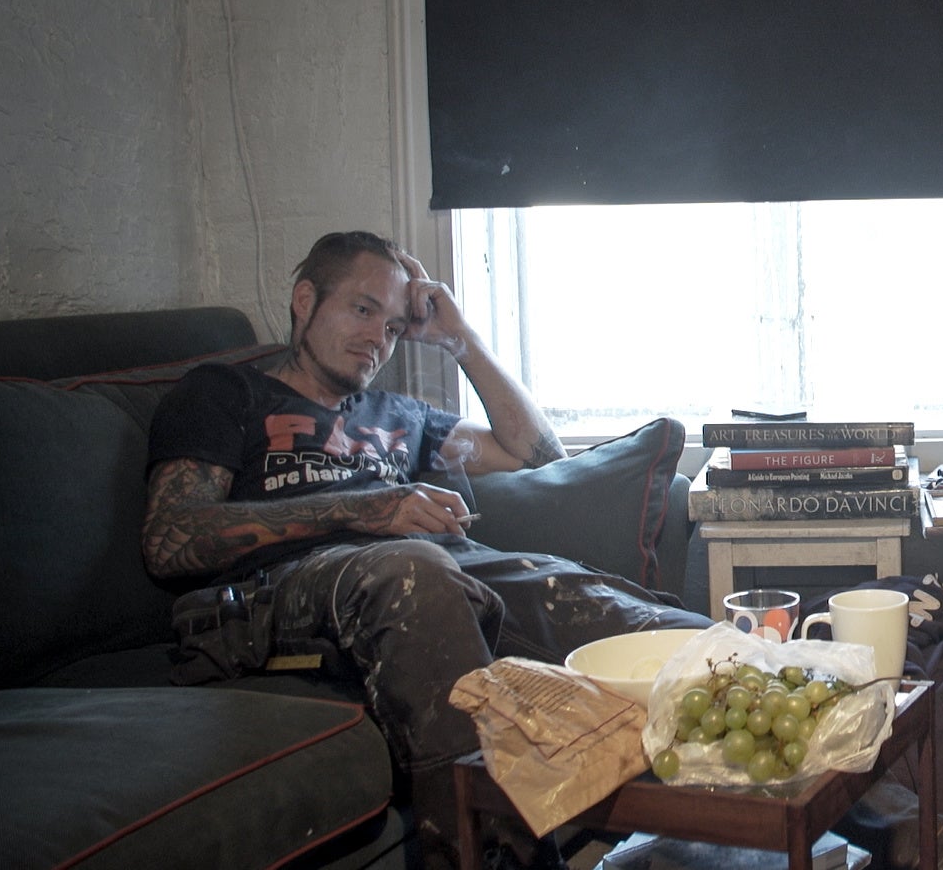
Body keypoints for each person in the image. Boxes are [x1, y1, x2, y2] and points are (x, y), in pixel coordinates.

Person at [143, 231, 707, 868]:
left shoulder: (399, 415)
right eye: (362, 310)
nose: (377, 339)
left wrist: (459, 337)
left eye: (391, 327)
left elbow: (539, 455)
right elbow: (172, 538)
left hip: (430, 572)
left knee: (667, 638)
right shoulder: (226, 392)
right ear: (305, 300)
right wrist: (364, 509)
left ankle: (777, 807)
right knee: (416, 568)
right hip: (286, 587)